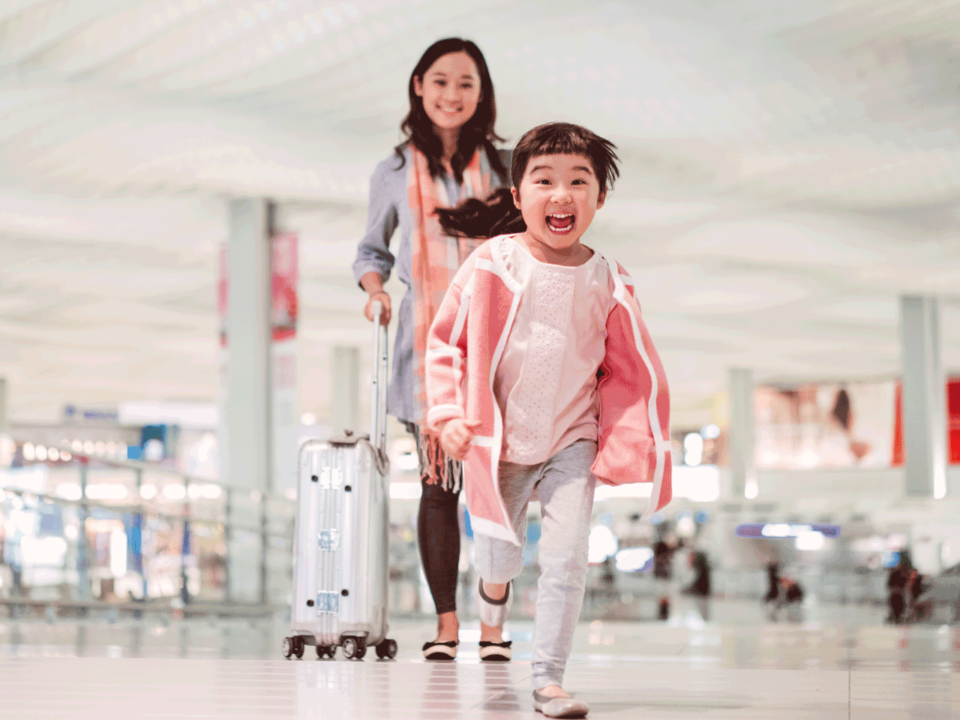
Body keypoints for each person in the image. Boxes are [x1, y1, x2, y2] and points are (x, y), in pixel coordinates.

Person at [425, 122, 673, 719]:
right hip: (500, 443)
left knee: (565, 557)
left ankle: (549, 680)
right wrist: (449, 413)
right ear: (518, 196)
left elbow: (625, 368)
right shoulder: (493, 263)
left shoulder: (609, 279)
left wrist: (630, 437)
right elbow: (447, 344)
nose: (560, 195)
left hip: (573, 440)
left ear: (599, 198)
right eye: (544, 181)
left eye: (578, 182)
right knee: (499, 558)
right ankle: (492, 601)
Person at [352, 38, 510, 661]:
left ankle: (493, 626)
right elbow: (373, 251)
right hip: (429, 348)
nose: (452, 94)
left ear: (481, 93)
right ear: (419, 85)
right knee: (439, 487)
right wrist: (375, 293)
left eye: (466, 83)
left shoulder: (504, 165)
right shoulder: (393, 171)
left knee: (500, 489)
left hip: (499, 343)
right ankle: (448, 627)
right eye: (441, 81)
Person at [652, 527, 682, 620]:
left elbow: (678, 546)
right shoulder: (660, 549)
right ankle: (662, 613)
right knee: (662, 594)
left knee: (665, 594)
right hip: (661, 577)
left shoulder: (668, 551)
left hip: (666, 577)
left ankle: (664, 613)